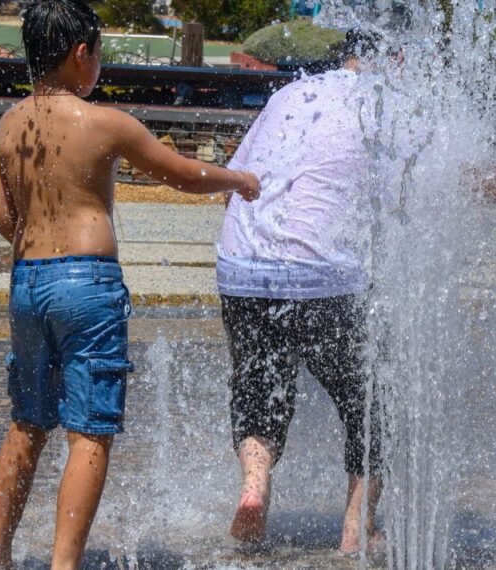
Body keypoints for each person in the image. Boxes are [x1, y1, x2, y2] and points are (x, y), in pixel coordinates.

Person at [0, 1, 259, 568]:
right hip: (88, 284)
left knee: (27, 422)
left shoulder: (8, 128)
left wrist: (37, 238)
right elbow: (180, 173)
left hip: (28, 281)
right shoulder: (104, 123)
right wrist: (240, 179)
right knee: (89, 430)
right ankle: (64, 565)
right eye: (98, 54)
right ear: (81, 55)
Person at [216, 29, 384, 553]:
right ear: (395, 54)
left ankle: (254, 484)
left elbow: (234, 181)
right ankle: (356, 533)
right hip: (320, 275)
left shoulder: (291, 93)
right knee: (376, 400)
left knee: (261, 387)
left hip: (242, 264)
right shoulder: (389, 102)